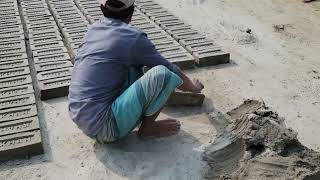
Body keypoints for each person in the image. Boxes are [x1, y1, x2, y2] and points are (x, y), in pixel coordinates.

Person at [68, 0, 204, 143]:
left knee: (136, 64)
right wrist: (193, 87)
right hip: (106, 127)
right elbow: (170, 69)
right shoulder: (133, 38)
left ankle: (160, 96)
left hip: (81, 117)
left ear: (102, 9)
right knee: (163, 75)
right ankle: (148, 129)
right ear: (131, 12)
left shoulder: (93, 29)